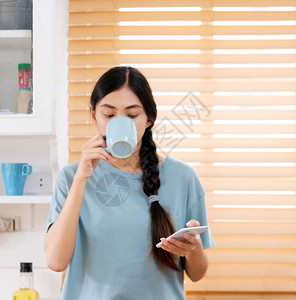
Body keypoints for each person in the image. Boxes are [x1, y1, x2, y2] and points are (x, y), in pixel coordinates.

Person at [45, 66, 215, 299]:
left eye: (132, 115)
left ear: (149, 119)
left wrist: (194, 249)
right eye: (109, 114)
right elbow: (55, 261)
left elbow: (197, 274)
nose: (120, 122)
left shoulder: (183, 177)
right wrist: (81, 179)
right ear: (94, 115)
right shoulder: (72, 177)